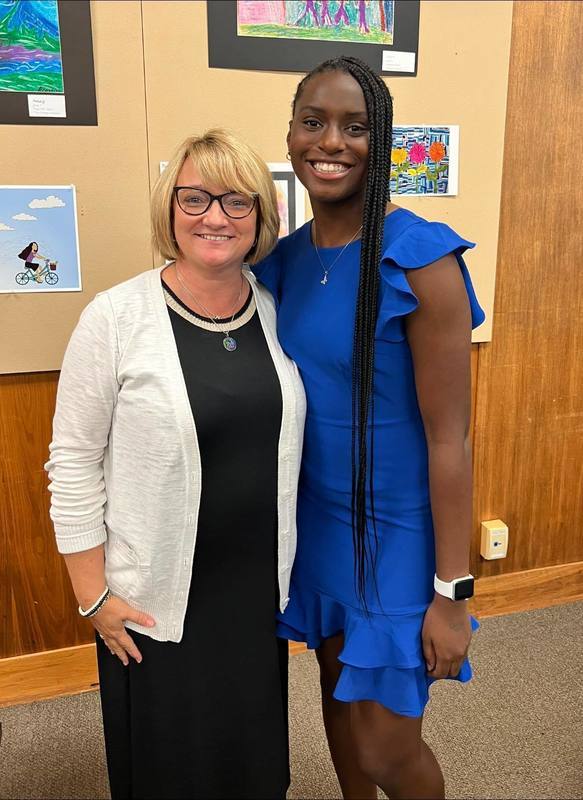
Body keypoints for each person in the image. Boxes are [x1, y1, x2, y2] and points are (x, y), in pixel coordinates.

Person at [45, 129, 306, 800]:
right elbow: (72, 461)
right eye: (195, 198)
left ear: (260, 216)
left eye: (236, 201)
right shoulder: (114, 318)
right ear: (170, 208)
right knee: (171, 768)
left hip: (253, 592)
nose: (215, 217)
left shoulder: (277, 311)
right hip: (155, 596)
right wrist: (92, 595)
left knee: (249, 763)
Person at [252, 57, 485, 799]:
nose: (331, 142)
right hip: (318, 524)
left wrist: (452, 592)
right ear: (290, 134)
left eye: (356, 127)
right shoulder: (283, 262)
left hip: (398, 536)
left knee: (387, 751)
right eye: (313, 122)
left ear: (381, 142)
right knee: (340, 710)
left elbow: (450, 439)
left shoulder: (418, 259)